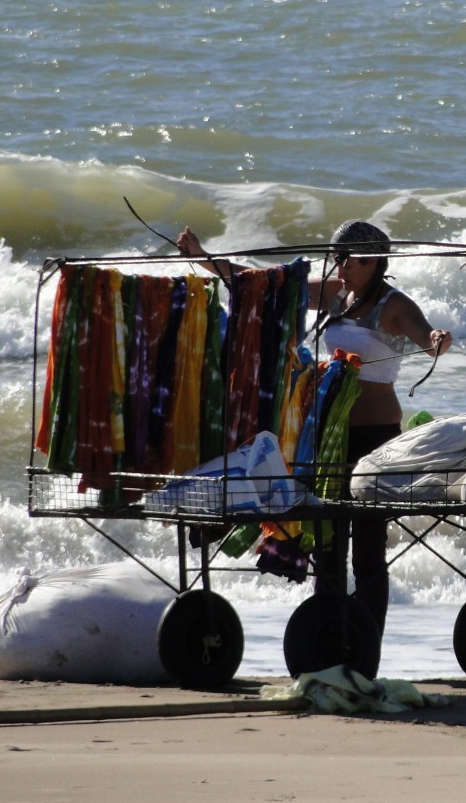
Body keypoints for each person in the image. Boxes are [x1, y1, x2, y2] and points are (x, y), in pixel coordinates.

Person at [176, 220, 452, 636]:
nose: (339, 265)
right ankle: (329, 635)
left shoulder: (394, 305)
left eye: (346, 259)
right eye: (336, 257)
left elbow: (427, 336)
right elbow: (263, 285)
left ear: (372, 261)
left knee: (369, 550)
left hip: (375, 440)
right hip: (327, 439)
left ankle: (366, 644)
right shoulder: (336, 293)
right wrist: (204, 259)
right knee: (328, 541)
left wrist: (437, 339)